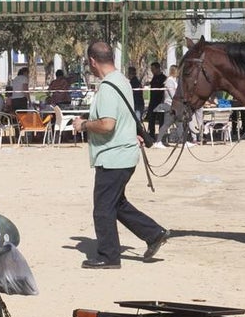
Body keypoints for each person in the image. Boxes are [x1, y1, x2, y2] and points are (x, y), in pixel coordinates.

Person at [72, 41, 169, 270]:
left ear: (93, 62)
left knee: (103, 208)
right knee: (117, 203)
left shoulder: (107, 87)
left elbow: (107, 124)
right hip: (124, 153)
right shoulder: (123, 81)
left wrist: (83, 124)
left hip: (113, 156)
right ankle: (154, 233)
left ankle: (108, 256)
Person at [152, 65, 181, 147]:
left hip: (175, 105)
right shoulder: (169, 81)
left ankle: (183, 142)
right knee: (166, 124)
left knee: (179, 124)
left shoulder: (174, 81)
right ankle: (158, 142)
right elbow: (173, 94)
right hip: (169, 105)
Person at [146, 62, 167, 137]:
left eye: (153, 69)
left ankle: (161, 136)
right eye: (151, 69)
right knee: (151, 119)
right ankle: (151, 135)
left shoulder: (163, 78)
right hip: (152, 102)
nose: (152, 71)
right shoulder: (154, 77)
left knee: (161, 120)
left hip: (160, 102)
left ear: (158, 68)